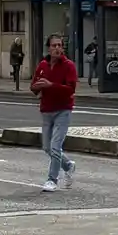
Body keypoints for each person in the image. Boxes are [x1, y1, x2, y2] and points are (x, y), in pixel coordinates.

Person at [31, 32, 79, 192]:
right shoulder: (42, 65)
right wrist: (38, 87)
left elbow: (70, 89)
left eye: (60, 45)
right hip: (46, 110)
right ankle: (68, 165)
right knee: (46, 147)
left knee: (55, 146)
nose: (57, 48)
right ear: (49, 48)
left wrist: (51, 85)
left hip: (63, 110)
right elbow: (33, 87)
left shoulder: (69, 66)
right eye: (54, 45)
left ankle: (52, 180)